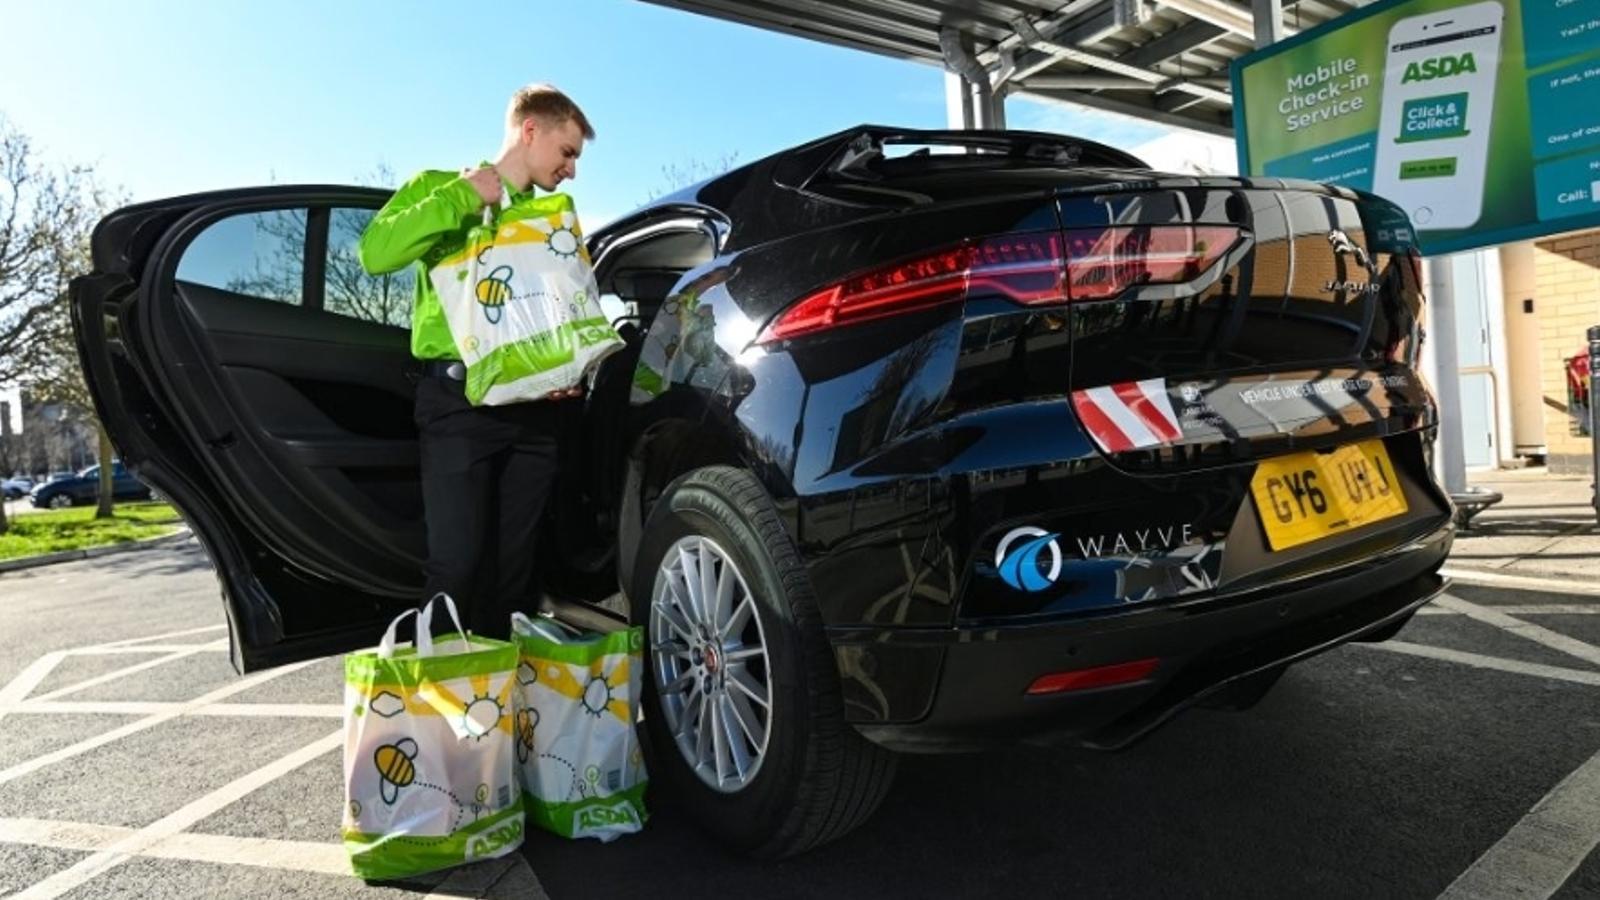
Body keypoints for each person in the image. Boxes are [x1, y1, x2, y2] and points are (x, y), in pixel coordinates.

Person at [358, 83, 596, 639]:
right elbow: (375, 254)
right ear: (530, 130)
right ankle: (443, 689)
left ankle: (500, 690)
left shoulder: (550, 217)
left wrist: (567, 373)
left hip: (535, 412)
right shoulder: (439, 188)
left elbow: (557, 312)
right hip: (458, 404)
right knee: (457, 567)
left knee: (515, 576)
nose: (571, 170)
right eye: (567, 152)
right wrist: (464, 196)